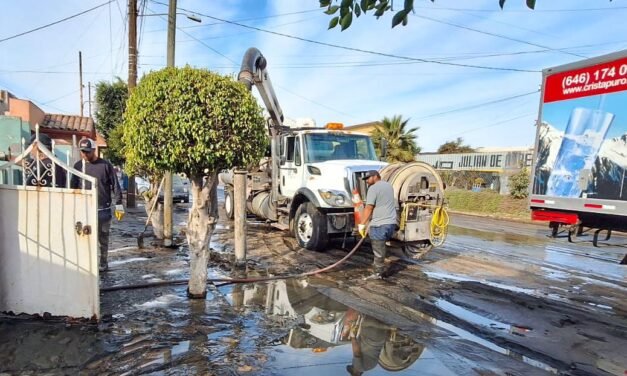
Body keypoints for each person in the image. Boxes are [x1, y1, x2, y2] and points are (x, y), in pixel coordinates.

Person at [71, 138, 124, 272]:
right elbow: (73, 187)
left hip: (103, 209)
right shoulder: (78, 167)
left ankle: (103, 263)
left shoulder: (105, 165)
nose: (85, 154)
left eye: (87, 152)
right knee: (84, 236)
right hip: (83, 209)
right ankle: (86, 262)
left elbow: (115, 185)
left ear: (94, 150)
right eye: (82, 152)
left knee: (103, 238)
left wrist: (119, 204)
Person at [358, 170, 397, 280]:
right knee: (382, 247)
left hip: (379, 224)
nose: (367, 181)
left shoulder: (373, 188)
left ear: (375, 176)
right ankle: (379, 268)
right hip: (391, 223)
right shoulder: (389, 186)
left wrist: (362, 224)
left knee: (378, 251)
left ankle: (378, 274)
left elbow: (369, 207)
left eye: (368, 178)